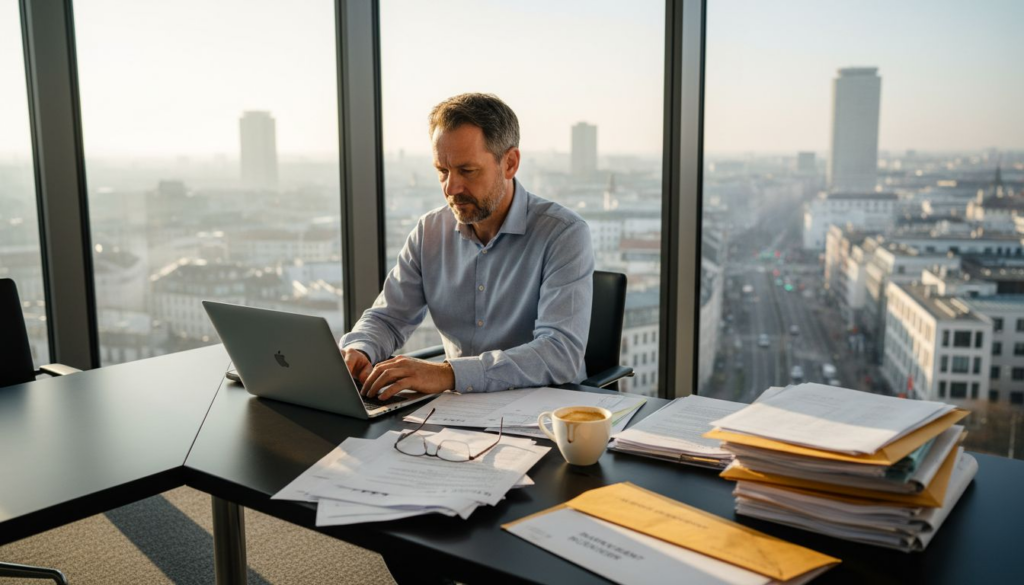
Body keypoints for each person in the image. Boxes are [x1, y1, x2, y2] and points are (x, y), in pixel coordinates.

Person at [339, 93, 594, 400]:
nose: (451, 188)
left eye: (467, 171)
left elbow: (559, 354)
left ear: (510, 163)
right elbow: (388, 318)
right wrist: (360, 348)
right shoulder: (429, 232)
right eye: (442, 171)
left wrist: (448, 374)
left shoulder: (563, 233)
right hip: (458, 415)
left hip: (543, 414)